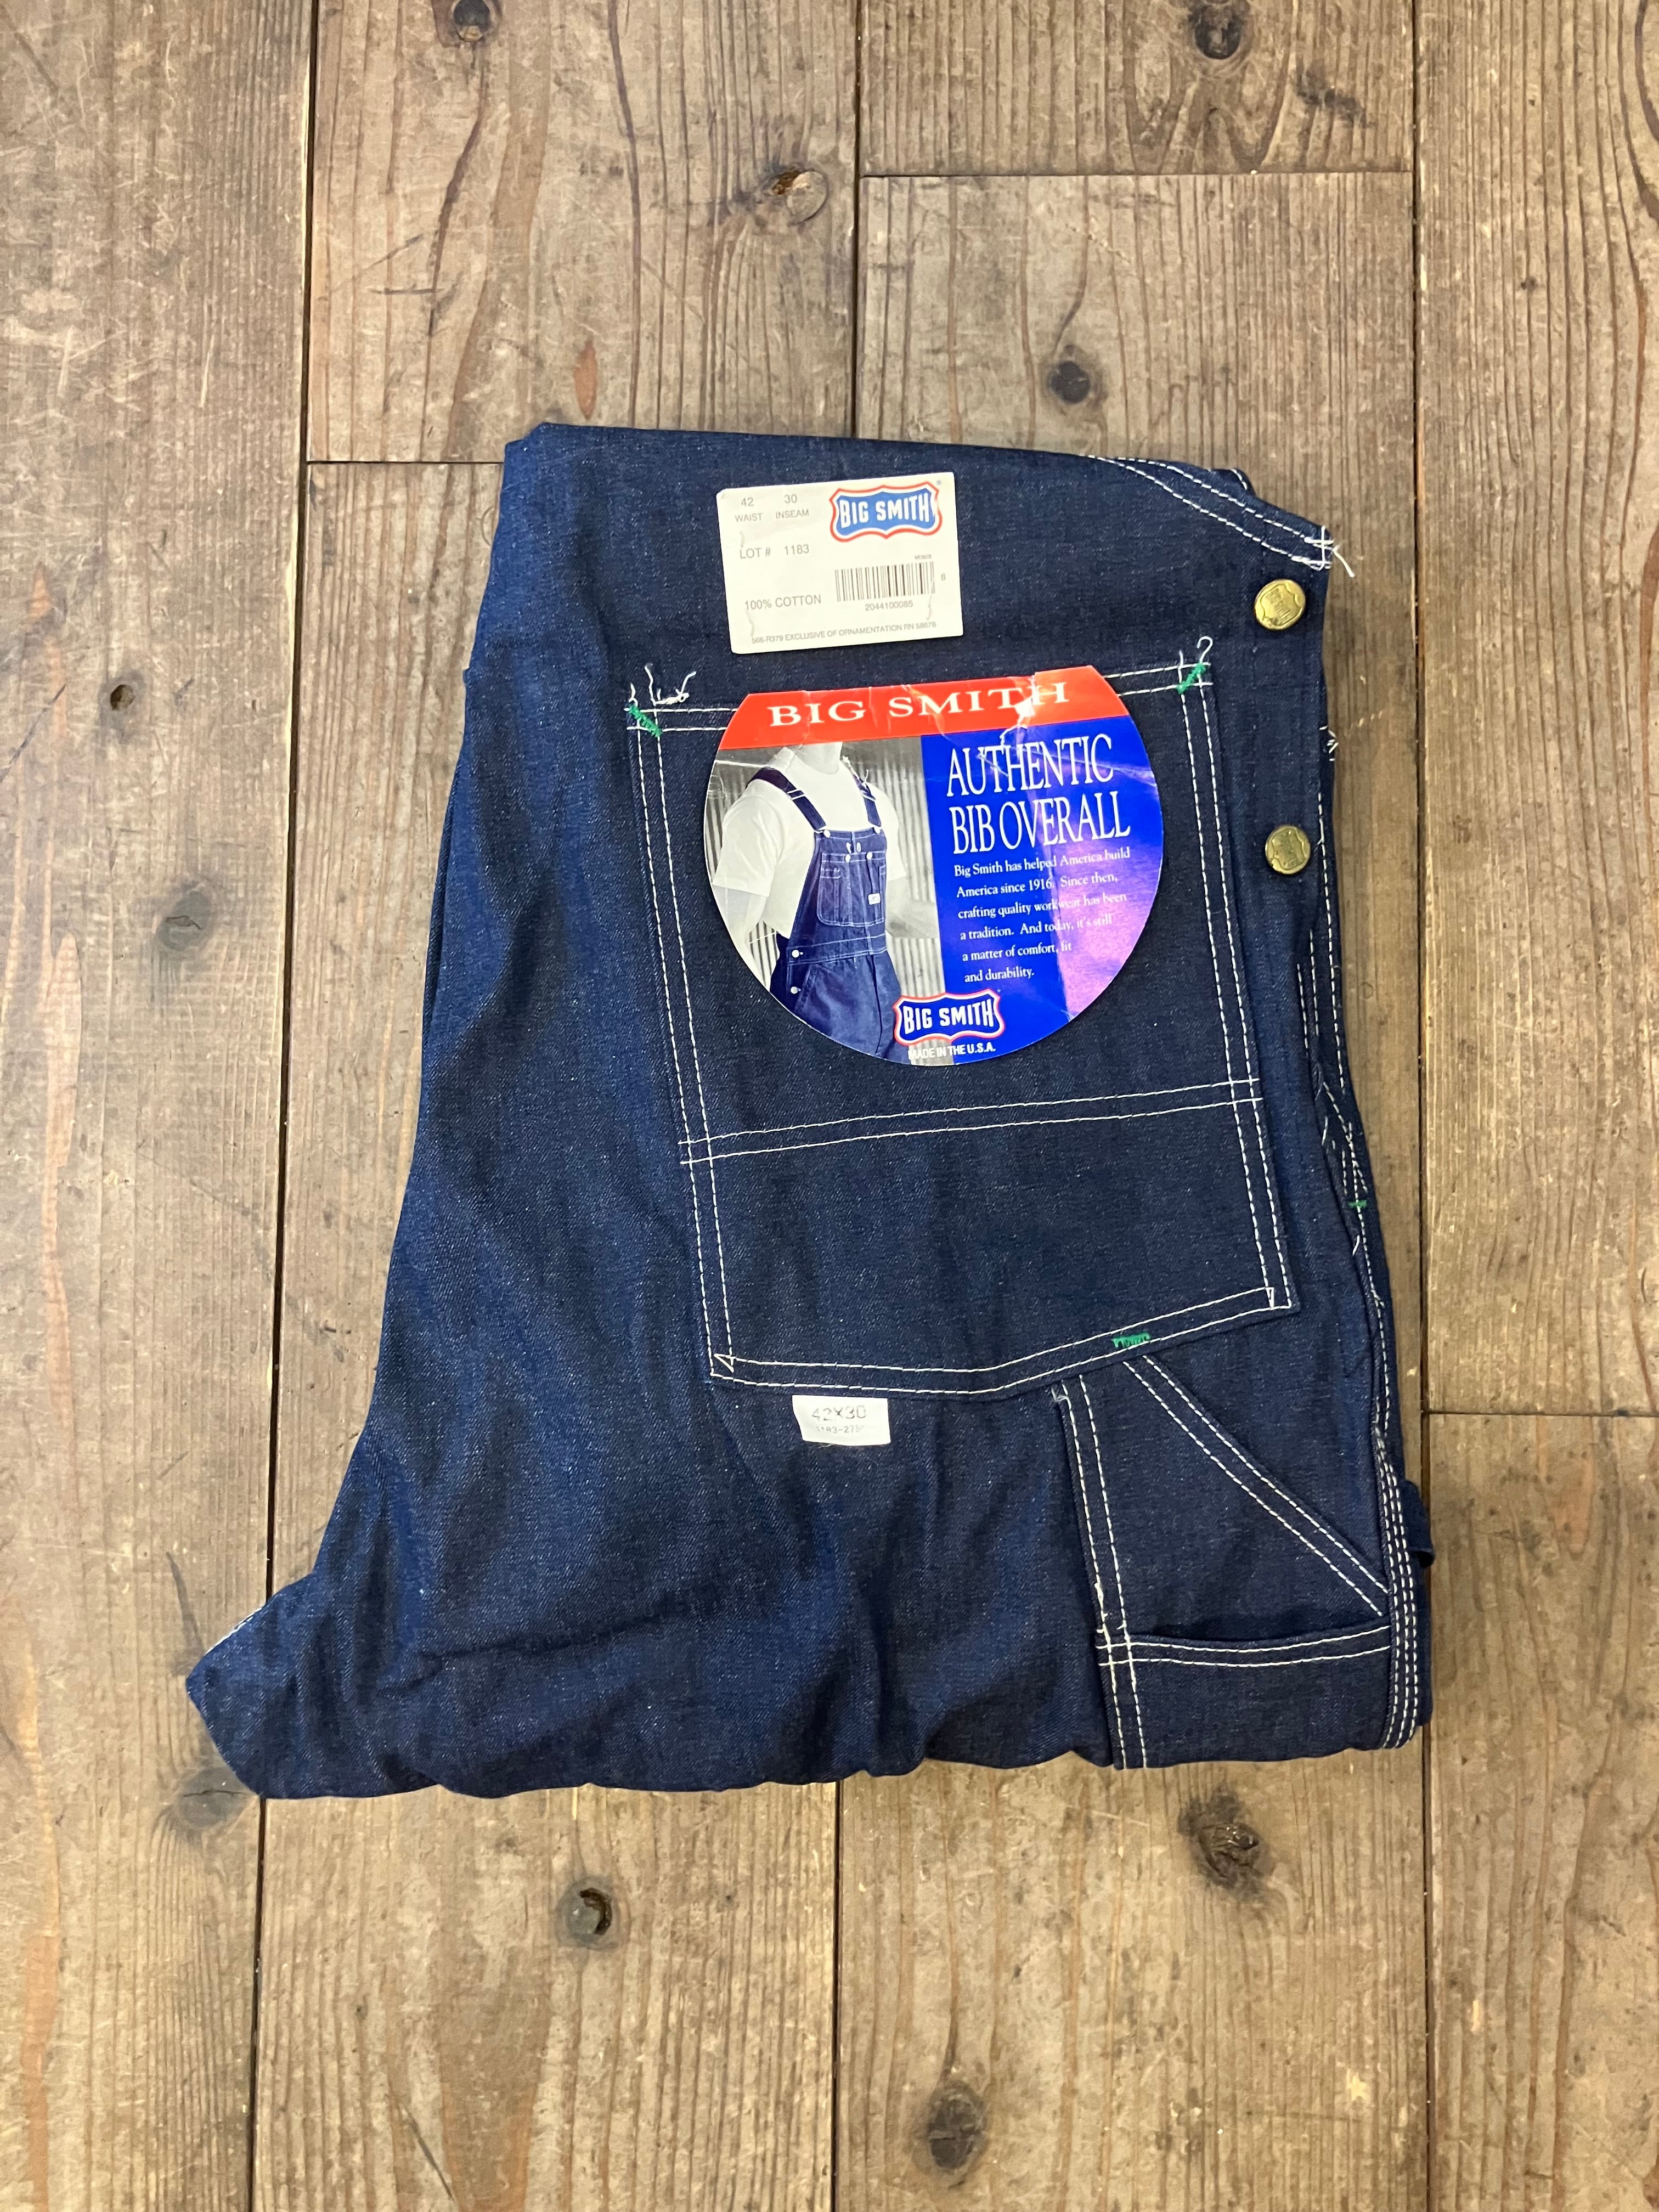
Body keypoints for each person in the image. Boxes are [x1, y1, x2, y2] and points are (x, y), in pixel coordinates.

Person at [710, 740, 938, 1060]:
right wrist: (766, 1026)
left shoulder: (876, 802)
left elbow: (897, 914)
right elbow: (725, 935)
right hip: (815, 1020)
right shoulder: (764, 805)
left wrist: (982, 927)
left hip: (891, 1022)